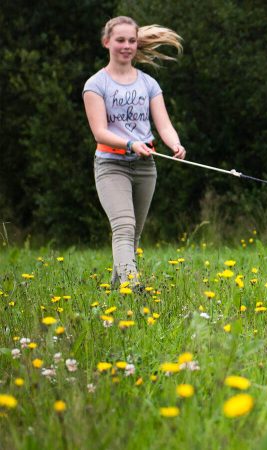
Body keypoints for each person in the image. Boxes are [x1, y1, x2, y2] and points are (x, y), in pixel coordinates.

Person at [83, 16, 186, 287]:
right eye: (120, 40)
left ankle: (117, 293)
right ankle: (132, 285)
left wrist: (175, 144)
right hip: (111, 165)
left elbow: (163, 125)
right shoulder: (96, 85)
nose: (126, 46)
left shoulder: (148, 84)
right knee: (124, 227)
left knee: (132, 234)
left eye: (131, 40)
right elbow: (100, 132)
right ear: (107, 42)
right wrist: (129, 144)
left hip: (144, 167)